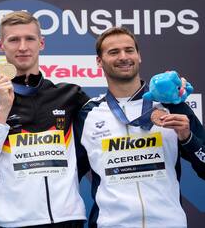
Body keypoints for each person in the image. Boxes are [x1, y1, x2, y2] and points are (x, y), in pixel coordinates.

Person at [0, 11, 89, 227]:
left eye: (29, 38)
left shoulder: (69, 95)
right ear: (1, 45)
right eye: (14, 40)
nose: (22, 47)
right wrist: (3, 111)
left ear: (41, 43)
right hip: (10, 222)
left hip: (68, 218)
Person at [74, 26, 205, 228]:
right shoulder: (88, 114)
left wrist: (187, 138)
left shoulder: (172, 104)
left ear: (139, 56)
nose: (123, 57)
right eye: (113, 52)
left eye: (129, 50)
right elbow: (68, 176)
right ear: (99, 61)